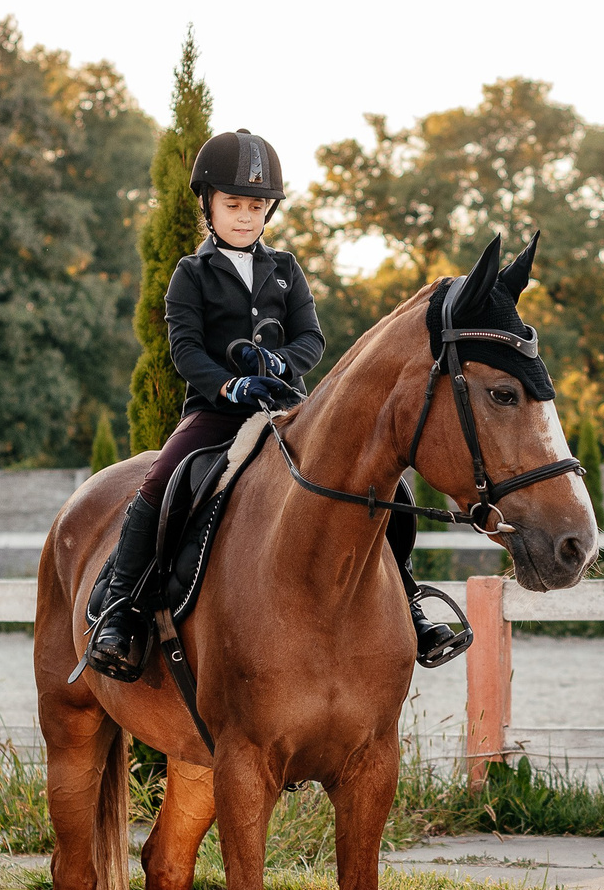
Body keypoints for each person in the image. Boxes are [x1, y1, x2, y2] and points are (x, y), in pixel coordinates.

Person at [85, 128, 470, 677]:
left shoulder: (286, 269)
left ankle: (408, 600)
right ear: (208, 204)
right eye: (234, 204)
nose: (245, 216)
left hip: (289, 411)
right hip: (216, 412)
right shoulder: (190, 274)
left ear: (270, 210)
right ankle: (121, 608)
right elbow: (186, 349)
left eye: (257, 206)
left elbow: (312, 338)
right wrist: (230, 385)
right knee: (161, 479)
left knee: (390, 489)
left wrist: (282, 365)